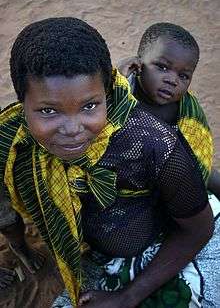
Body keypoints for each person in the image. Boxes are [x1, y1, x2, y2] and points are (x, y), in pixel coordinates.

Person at [0, 17, 214, 308]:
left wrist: (128, 296)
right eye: (48, 110)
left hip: (146, 249)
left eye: (90, 106)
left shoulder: (151, 144)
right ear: (22, 102)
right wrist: (21, 246)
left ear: (109, 90)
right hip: (86, 250)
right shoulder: (12, 139)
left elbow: (198, 229)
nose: (73, 129)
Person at [117, 22, 220, 306]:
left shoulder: (183, 110)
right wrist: (122, 81)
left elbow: (196, 156)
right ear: (138, 66)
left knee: (209, 179)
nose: (173, 80)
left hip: (174, 172)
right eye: (162, 67)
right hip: (134, 178)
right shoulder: (122, 96)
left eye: (183, 75)